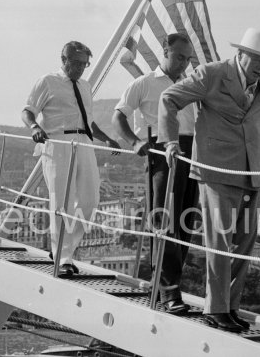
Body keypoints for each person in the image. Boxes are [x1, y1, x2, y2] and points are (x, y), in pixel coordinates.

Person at [158, 28, 260, 332]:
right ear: (240, 54)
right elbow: (168, 98)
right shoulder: (212, 75)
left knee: (244, 243)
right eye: (256, 59)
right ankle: (215, 310)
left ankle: (230, 307)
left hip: (251, 173)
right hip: (216, 171)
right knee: (220, 241)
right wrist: (171, 142)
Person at [111, 33, 198, 314]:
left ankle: (164, 284)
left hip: (192, 152)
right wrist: (135, 143)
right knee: (163, 219)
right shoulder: (144, 83)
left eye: (188, 59)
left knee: (185, 222)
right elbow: (118, 115)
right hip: (161, 151)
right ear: (165, 51)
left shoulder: (191, 84)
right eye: (179, 56)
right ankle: (169, 291)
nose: (184, 63)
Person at [22, 41, 121, 277]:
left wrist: (107, 139)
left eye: (84, 64)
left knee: (90, 201)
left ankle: (63, 250)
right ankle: (63, 256)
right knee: (61, 202)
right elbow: (27, 111)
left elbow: (88, 121)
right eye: (76, 63)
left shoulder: (85, 86)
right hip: (57, 143)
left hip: (84, 143)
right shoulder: (47, 81)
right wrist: (34, 126)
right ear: (63, 60)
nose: (80, 69)